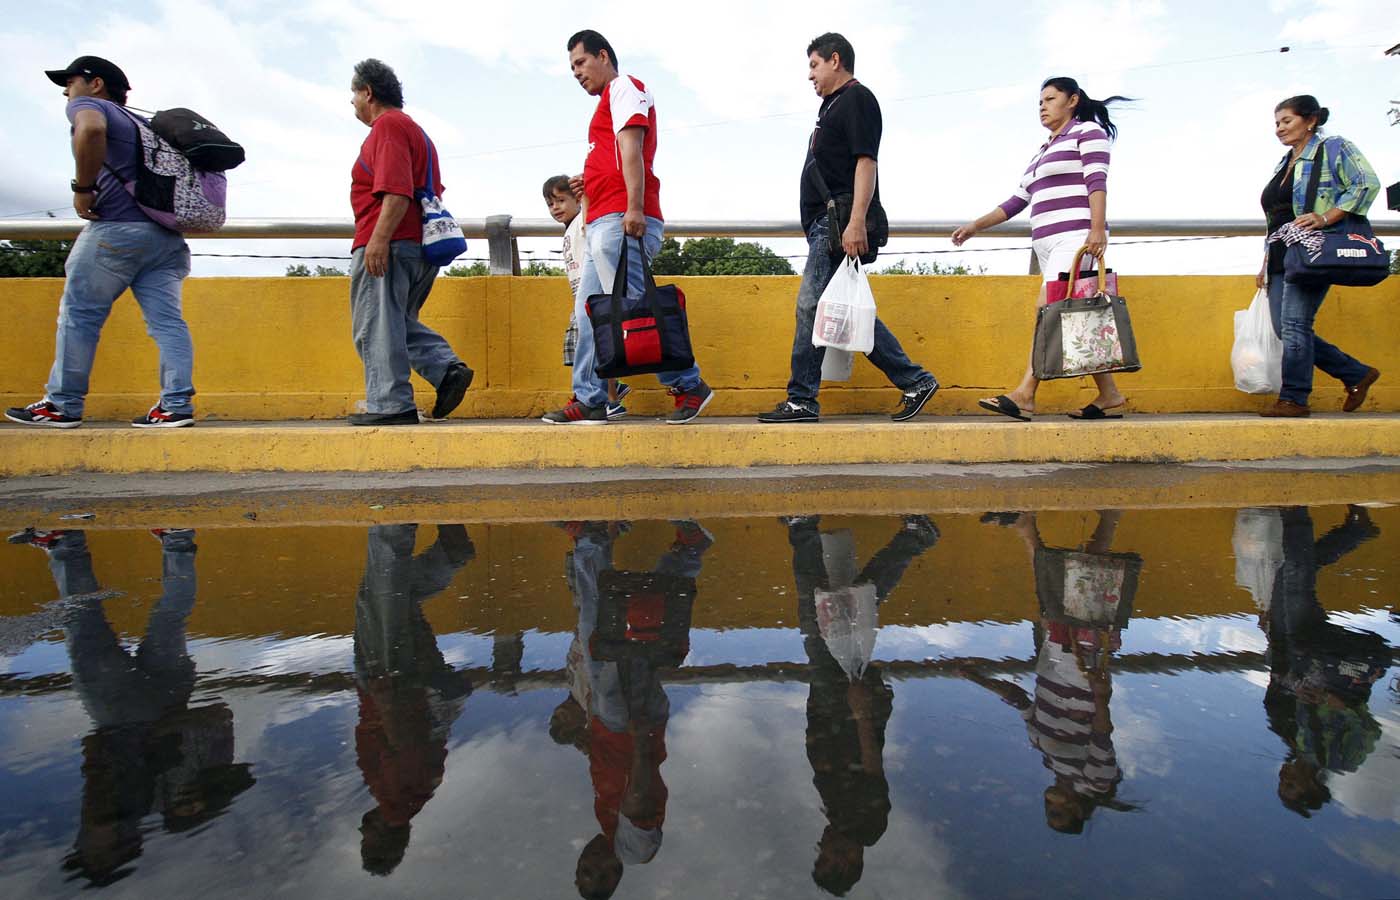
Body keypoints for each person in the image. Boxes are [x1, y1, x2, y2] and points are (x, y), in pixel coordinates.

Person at [4, 527, 255, 884]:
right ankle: (65, 546)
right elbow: (96, 753)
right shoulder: (117, 810)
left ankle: (178, 541)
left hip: (171, 697)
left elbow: (220, 717)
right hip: (118, 710)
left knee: (170, 615)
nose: (85, 841)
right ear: (118, 845)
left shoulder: (171, 803)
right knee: (83, 622)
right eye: (92, 849)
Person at [6, 57, 199, 429]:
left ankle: (62, 404)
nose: (66, 90)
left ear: (96, 84)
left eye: (71, 81)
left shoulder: (91, 107)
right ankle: (175, 405)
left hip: (116, 231)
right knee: (168, 323)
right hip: (166, 238)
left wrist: (83, 189)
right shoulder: (144, 126)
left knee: (80, 316)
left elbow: (91, 130)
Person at [759, 33, 939, 424]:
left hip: (838, 223)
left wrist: (856, 221)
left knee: (812, 306)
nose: (810, 75)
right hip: (825, 224)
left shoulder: (857, 99)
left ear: (835, 60)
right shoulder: (831, 108)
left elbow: (865, 162)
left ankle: (802, 399)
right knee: (845, 313)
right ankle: (915, 381)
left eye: (813, 65)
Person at [542, 30, 713, 425]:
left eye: (581, 63)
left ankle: (689, 385)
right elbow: (616, 158)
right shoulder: (606, 102)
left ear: (603, 56)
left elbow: (632, 148)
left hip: (622, 220)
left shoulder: (624, 87)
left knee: (639, 309)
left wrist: (633, 208)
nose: (576, 73)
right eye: (571, 69)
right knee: (588, 315)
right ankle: (590, 398)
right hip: (604, 216)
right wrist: (591, 181)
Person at [953, 77, 1131, 422]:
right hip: (1048, 246)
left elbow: (1097, 181)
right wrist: (975, 226)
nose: (1042, 107)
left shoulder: (1087, 133)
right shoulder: (1043, 151)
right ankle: (1109, 394)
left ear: (1073, 100)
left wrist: (1097, 229)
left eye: (1050, 99)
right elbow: (1017, 200)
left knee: (1048, 311)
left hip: (1076, 239)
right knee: (1075, 317)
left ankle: (1024, 395)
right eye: (1039, 102)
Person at [785, 514, 940, 894]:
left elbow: (824, 752)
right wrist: (860, 711)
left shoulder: (837, 815)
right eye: (831, 859)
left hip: (829, 702)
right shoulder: (866, 826)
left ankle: (911, 539)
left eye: (819, 856)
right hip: (848, 705)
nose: (824, 849)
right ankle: (805, 531)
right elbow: (871, 767)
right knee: (826, 611)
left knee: (845, 609)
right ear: (851, 860)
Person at [558, 519, 709, 899]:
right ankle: (591, 542)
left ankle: (688, 551)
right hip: (627, 725)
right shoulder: (632, 851)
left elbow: (621, 784)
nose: (588, 864)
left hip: (622, 727)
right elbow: (640, 796)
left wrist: (590, 742)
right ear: (614, 875)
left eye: (582, 872)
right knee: (598, 626)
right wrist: (639, 742)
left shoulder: (608, 827)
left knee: (637, 628)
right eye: (596, 874)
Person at [964, 510, 1140, 834]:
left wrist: (978, 680)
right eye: (1057, 812)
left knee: (1053, 599)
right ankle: (1107, 519)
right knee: (1089, 586)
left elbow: (1020, 702)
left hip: (1053, 661)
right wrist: (1101, 695)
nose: (1050, 804)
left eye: (1048, 810)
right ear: (1076, 810)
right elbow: (1102, 733)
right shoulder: (1095, 780)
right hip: (1082, 671)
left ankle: (1029, 529)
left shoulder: (1049, 759)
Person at [347, 59, 473, 426]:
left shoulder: (387, 127)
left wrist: (377, 240)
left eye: (354, 94)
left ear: (368, 92)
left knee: (375, 325)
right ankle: (445, 369)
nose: (353, 102)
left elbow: (397, 191)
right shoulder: (416, 132)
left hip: (392, 242)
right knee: (395, 324)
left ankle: (390, 404)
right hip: (419, 246)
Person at [353, 523, 476, 875]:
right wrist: (386, 700)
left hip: (412, 692)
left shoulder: (420, 794)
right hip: (389, 688)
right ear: (381, 839)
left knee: (397, 603)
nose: (362, 829)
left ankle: (447, 558)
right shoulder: (395, 800)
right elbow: (405, 747)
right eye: (366, 839)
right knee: (380, 598)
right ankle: (393, 524)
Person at [1257, 505, 1388, 816]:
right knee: (1296, 575)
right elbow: (1370, 730)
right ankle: (1294, 511)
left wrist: (1271, 636)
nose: (1283, 777)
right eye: (1290, 785)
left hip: (1297, 651)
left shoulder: (1289, 734)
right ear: (1313, 787)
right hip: (1331, 661)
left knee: (1290, 574)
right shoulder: (1343, 758)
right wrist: (1333, 701)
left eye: (1281, 783)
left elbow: (1278, 681)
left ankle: (1355, 531)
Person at [1256, 95, 1382, 418]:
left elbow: (1365, 184)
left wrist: (1325, 218)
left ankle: (1294, 398)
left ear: (1310, 120)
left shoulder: (1332, 147)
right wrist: (1265, 263)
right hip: (1282, 256)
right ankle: (1355, 373)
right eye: (1277, 123)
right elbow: (1278, 217)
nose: (1279, 129)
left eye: (1286, 121)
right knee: (1285, 328)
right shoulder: (1285, 163)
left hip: (1314, 251)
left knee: (1296, 324)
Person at [543, 174, 629, 420]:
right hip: (581, 297)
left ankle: (606, 397)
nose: (555, 208)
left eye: (561, 200)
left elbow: (589, 208)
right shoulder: (569, 230)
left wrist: (585, 192)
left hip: (593, 295)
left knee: (595, 344)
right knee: (587, 348)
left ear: (578, 200)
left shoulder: (585, 221)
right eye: (550, 204)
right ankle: (606, 392)